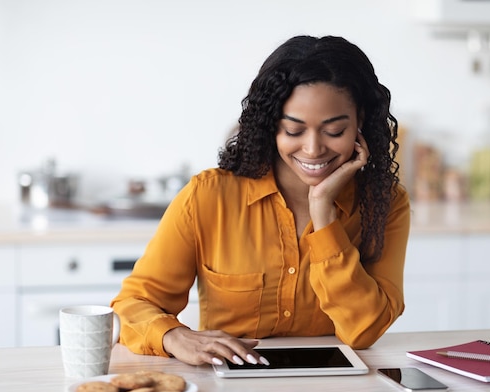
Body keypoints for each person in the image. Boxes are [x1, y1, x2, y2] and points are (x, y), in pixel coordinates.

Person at [111, 35, 410, 367]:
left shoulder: (385, 203)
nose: (313, 149)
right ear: (271, 126)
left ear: (361, 123)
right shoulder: (209, 196)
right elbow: (132, 303)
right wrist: (172, 335)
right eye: (293, 131)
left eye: (334, 131)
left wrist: (323, 214)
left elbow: (364, 329)